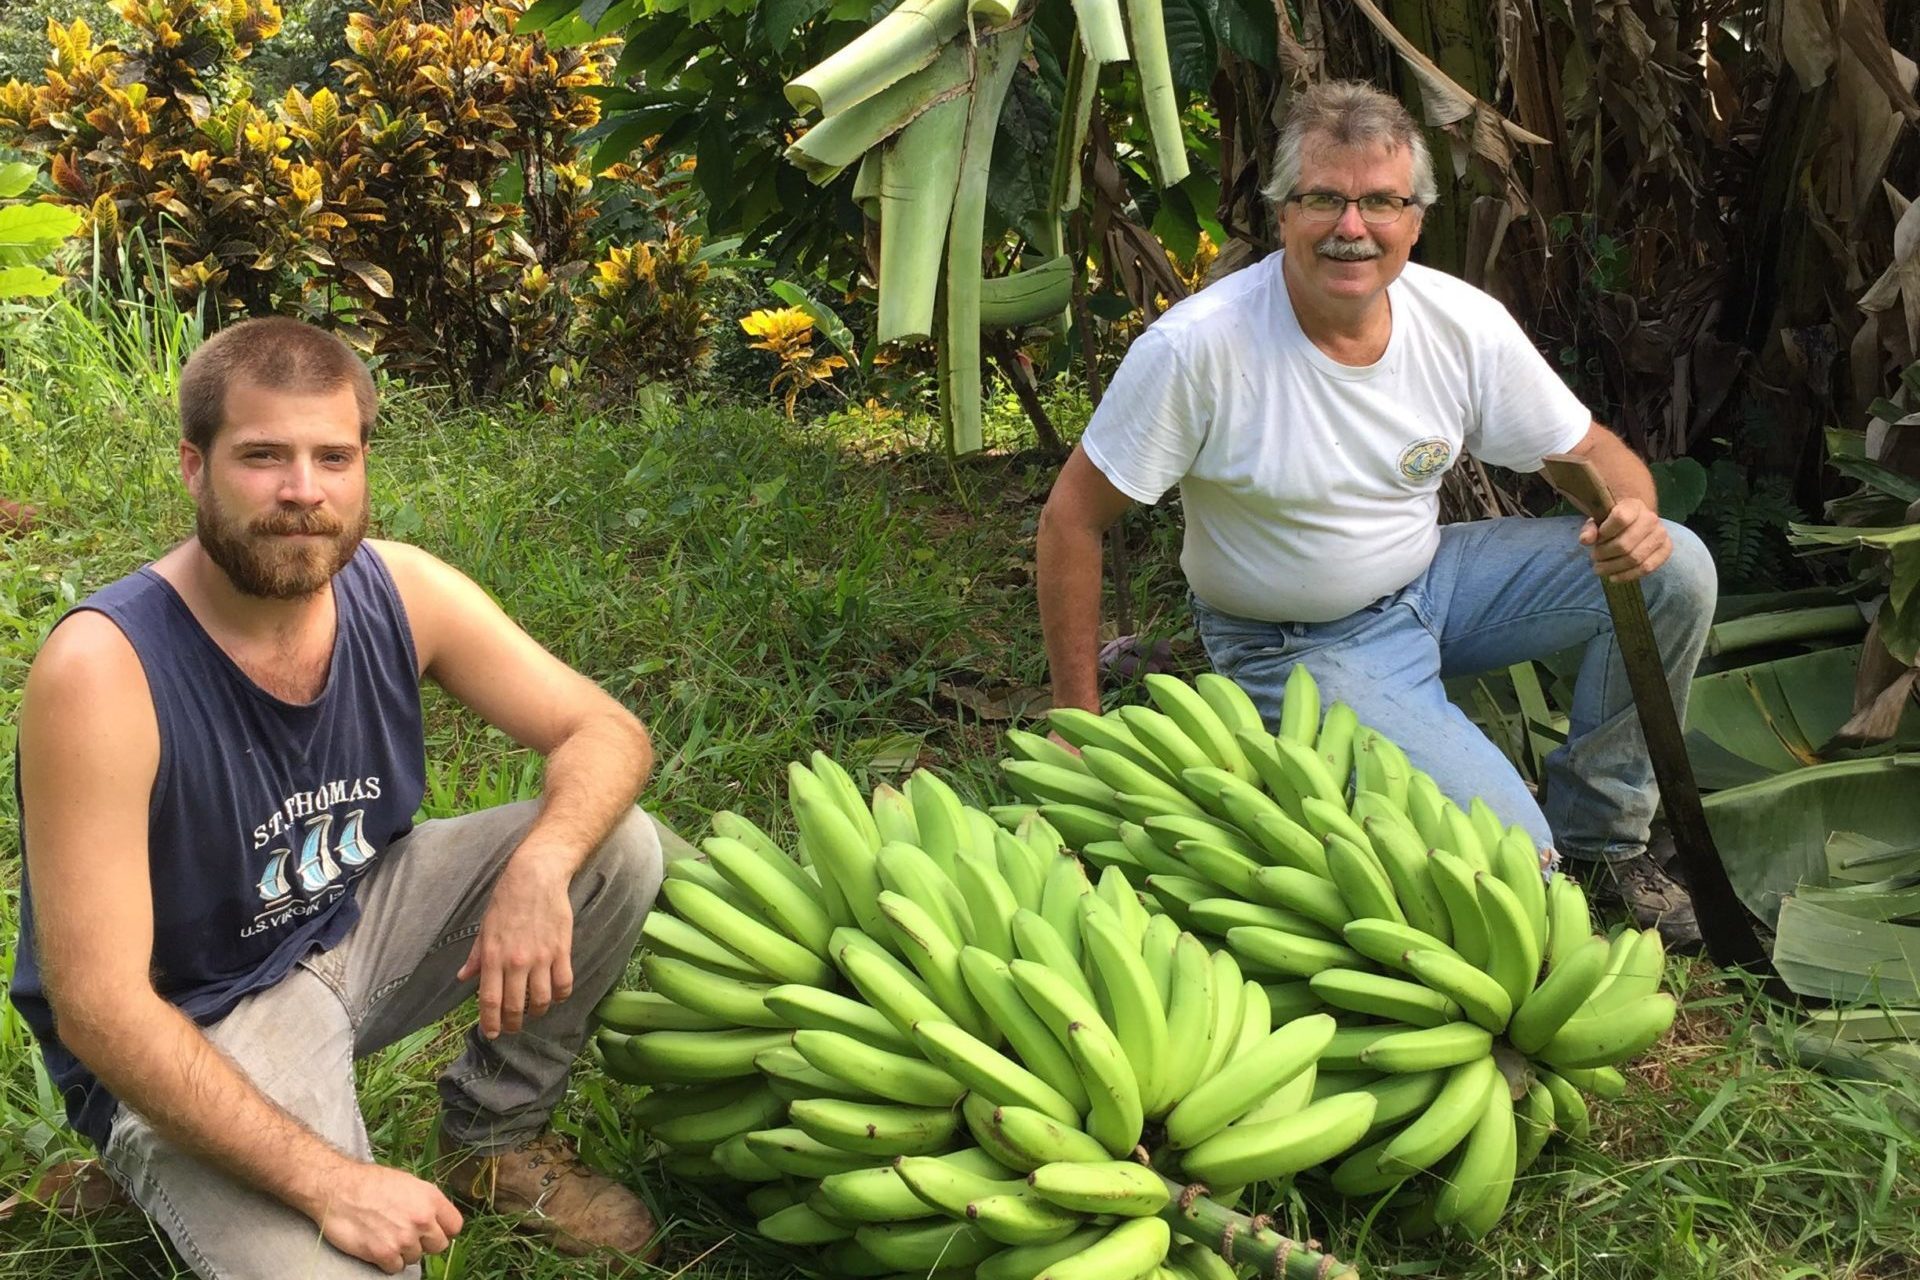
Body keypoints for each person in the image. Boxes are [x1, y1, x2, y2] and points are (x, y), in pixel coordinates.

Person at [11, 317, 667, 1276]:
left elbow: (606, 732)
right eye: (262, 456)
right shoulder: (104, 671)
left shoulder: (399, 589)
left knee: (614, 847)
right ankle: (155, 1159)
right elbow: (100, 1008)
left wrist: (540, 865)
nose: (303, 492)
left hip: (350, 927)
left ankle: (493, 1140)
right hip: (194, 1025)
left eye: (333, 456)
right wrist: (332, 1183)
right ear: (194, 468)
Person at [1036, 81, 1715, 951]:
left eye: (1380, 201)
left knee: (1676, 567)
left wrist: (1636, 516)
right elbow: (1072, 519)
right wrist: (1075, 724)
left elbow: (1588, 452)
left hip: (1430, 581)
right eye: (1324, 197)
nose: (1350, 226)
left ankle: (1606, 840)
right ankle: (1549, 849)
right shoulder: (1198, 350)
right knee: (1515, 868)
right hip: (1296, 638)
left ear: (1416, 217)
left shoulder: (1460, 322)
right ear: (1283, 211)